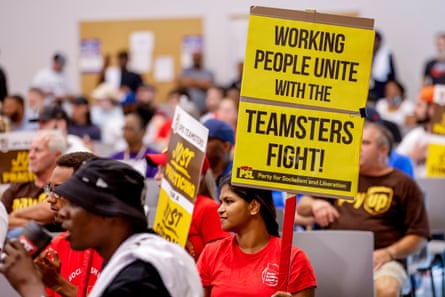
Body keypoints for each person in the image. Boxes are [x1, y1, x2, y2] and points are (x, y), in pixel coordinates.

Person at [0, 157, 203, 297]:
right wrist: (56, 283)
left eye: (76, 204)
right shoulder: (131, 257)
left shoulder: (140, 277)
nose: (62, 213)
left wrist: (30, 286)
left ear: (111, 215)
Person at [297, 122, 430, 297]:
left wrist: (389, 253)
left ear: (383, 150)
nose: (358, 148)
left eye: (365, 143)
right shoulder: (342, 177)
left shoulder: (404, 184)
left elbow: (419, 236)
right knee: (294, 281)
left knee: (387, 289)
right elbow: (302, 207)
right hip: (335, 258)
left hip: (382, 261)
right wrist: (316, 204)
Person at [197, 175, 317, 297]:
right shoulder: (211, 254)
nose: (220, 209)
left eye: (229, 201)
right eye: (221, 202)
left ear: (254, 206)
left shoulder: (294, 259)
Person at [33, 151, 101, 297]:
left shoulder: (119, 249)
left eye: (59, 190)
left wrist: (59, 284)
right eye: (50, 189)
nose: (50, 199)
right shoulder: (54, 249)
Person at [146, 151, 229, 260]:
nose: (156, 176)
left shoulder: (207, 207)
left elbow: (221, 257)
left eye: (164, 170)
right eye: (158, 170)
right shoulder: (167, 206)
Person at [1, 130, 67, 235]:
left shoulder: (63, 185)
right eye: (30, 150)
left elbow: (52, 210)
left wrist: (15, 215)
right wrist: (36, 224)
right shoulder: (18, 187)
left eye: (38, 150)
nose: (31, 156)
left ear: (57, 155)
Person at [109, 105, 158, 178]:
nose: (126, 132)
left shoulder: (155, 158)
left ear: (143, 132)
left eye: (130, 129)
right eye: (124, 128)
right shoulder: (114, 158)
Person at [203, 119, 235, 193]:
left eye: (207, 140)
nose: (201, 143)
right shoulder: (198, 173)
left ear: (225, 146)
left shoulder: (235, 180)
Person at [368, 31, 397, 104]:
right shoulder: (365, 53)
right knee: (362, 111)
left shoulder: (386, 54)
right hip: (366, 89)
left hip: (380, 90)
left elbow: (392, 75)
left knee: (377, 110)